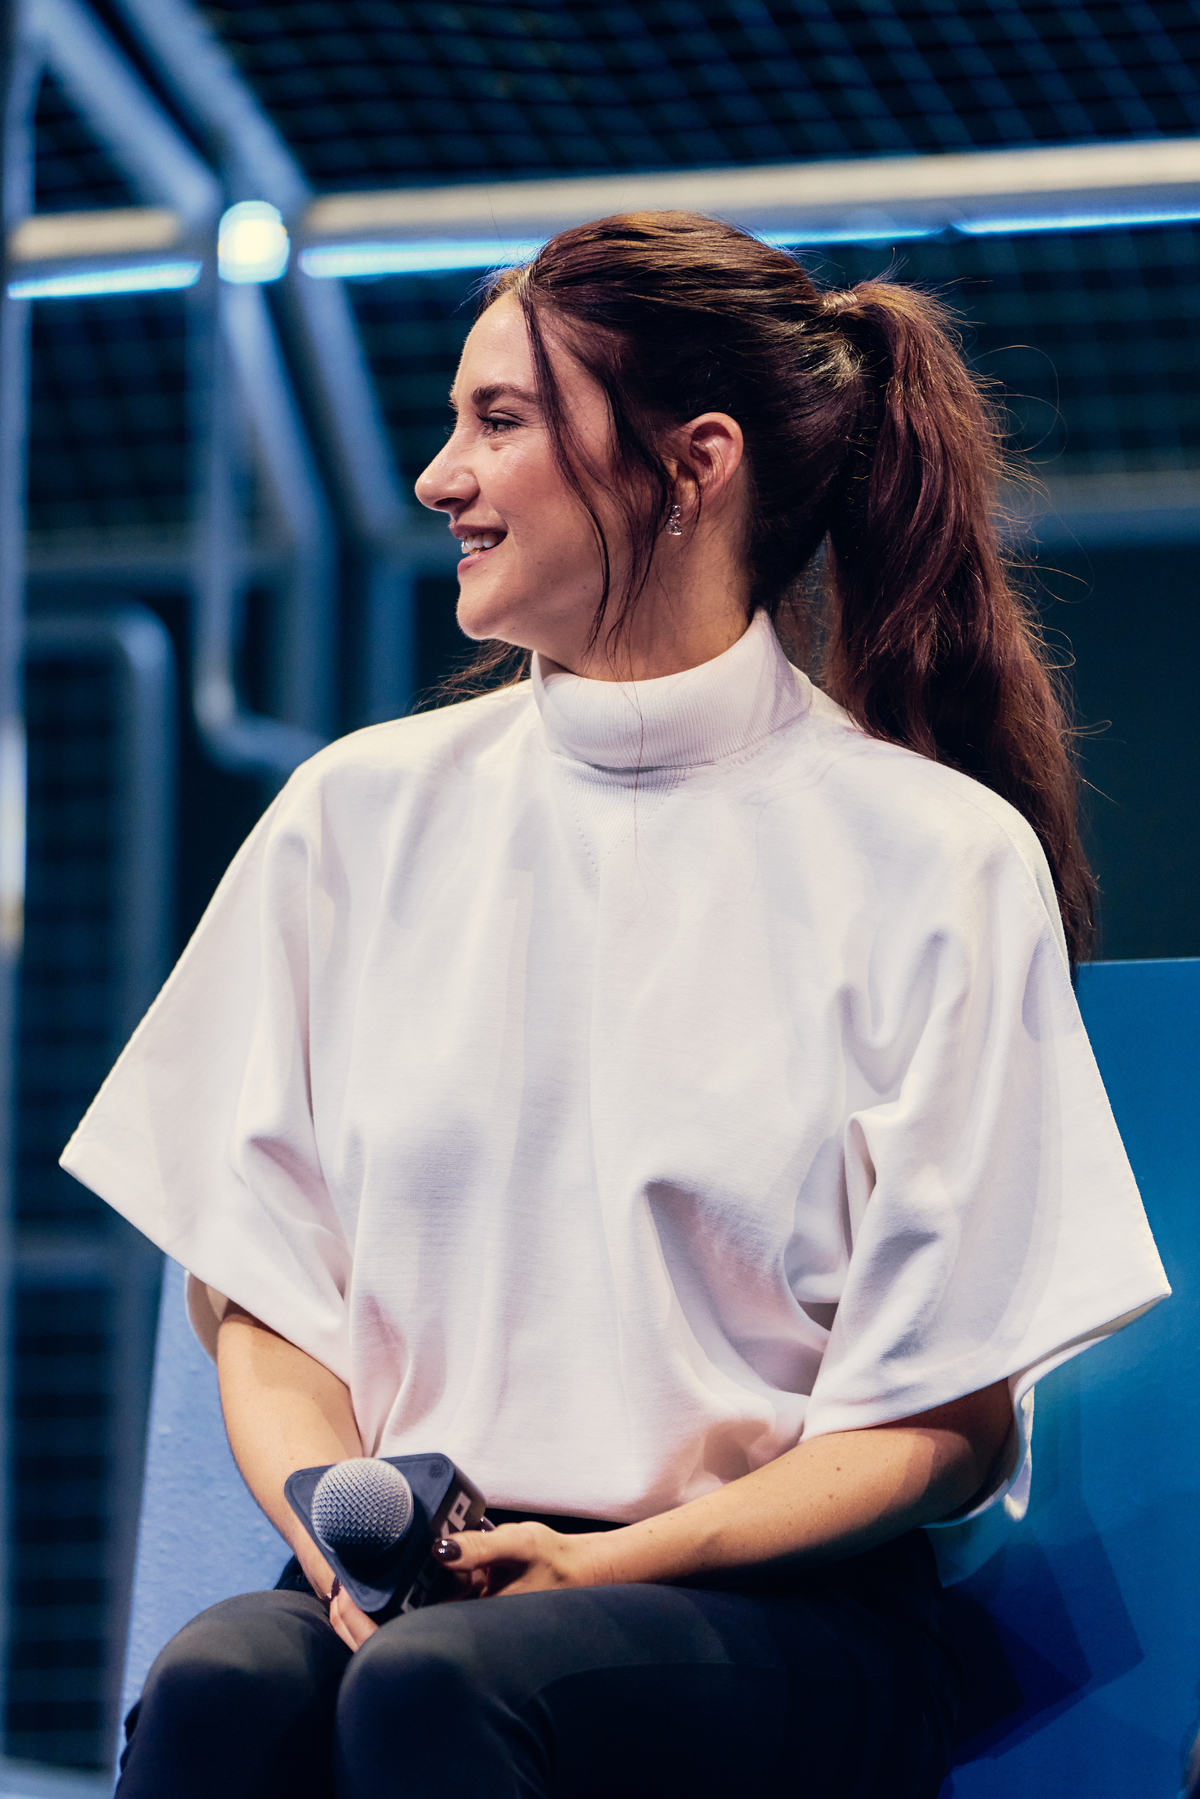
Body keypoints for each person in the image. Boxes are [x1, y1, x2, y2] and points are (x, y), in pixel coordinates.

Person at [63, 211, 1167, 1799]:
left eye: (500, 421)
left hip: (784, 1612)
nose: (439, 477)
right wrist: (344, 1532)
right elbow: (265, 1304)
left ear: (692, 464)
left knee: (440, 1696)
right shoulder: (349, 819)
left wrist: (606, 1563)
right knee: (225, 1686)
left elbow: (947, 1430)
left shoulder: (935, 859)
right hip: (426, 1590)